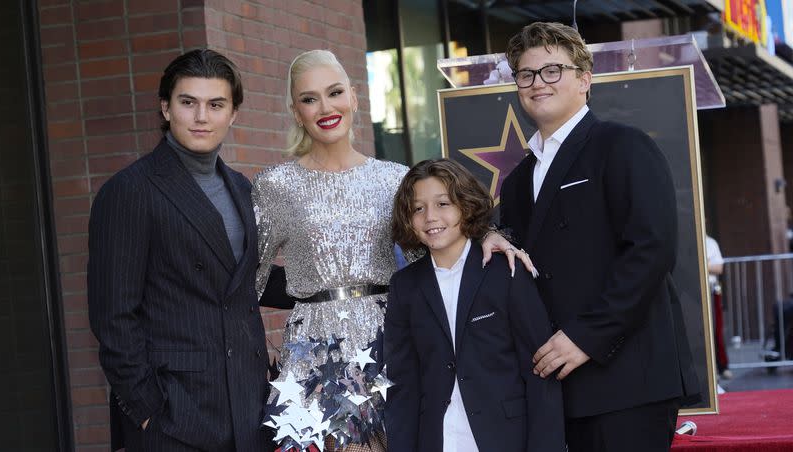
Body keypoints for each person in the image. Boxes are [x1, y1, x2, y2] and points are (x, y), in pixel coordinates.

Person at [252, 50, 527, 452]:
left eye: (334, 93)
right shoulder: (274, 185)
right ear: (296, 111)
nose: (325, 108)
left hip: (393, 344)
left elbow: (434, 257)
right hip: (314, 355)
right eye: (310, 99)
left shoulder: (393, 179)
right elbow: (248, 282)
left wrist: (484, 235)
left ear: (354, 97)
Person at [497, 22, 700, 452]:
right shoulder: (516, 182)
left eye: (552, 70)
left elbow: (652, 251)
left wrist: (587, 336)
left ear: (585, 80)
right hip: (557, 386)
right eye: (526, 74)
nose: (538, 83)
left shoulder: (623, 146)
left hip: (628, 380)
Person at [88, 49, 292, 452]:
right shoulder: (131, 190)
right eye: (188, 102)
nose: (202, 117)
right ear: (166, 108)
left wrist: (352, 284)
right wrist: (147, 409)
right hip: (175, 414)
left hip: (248, 407)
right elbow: (113, 316)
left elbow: (247, 281)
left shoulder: (241, 188)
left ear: (233, 114)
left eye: (215, 105)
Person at [384, 159, 565, 452]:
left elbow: (540, 373)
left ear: (465, 205)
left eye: (443, 203)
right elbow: (403, 383)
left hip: (505, 437)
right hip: (437, 439)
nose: (430, 217)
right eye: (418, 208)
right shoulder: (405, 287)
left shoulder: (505, 271)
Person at [706, 235, 731, 379]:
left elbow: (719, 267)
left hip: (711, 289)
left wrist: (703, 263)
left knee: (716, 329)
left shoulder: (710, 242)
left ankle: (721, 366)